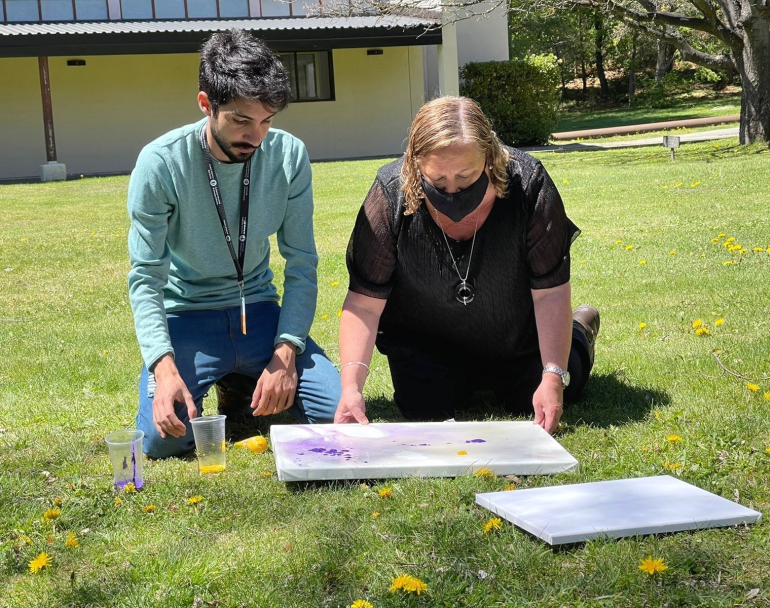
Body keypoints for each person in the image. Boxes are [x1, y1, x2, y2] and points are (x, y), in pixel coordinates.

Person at [127, 29, 340, 459]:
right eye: (241, 120)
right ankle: (220, 376)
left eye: (267, 120)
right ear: (207, 104)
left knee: (336, 416)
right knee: (162, 440)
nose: (256, 136)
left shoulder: (289, 155)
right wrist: (163, 367)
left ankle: (245, 377)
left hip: (260, 311)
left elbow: (302, 263)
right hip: (188, 316)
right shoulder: (160, 162)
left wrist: (286, 353)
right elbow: (146, 278)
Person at [334, 96, 599, 433]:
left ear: (489, 158)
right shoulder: (389, 195)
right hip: (427, 344)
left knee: (549, 390)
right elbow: (364, 304)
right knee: (423, 408)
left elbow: (550, 294)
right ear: (415, 165)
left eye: (465, 177)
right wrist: (351, 387)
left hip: (516, 337)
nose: (452, 191)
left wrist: (553, 375)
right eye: (438, 181)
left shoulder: (528, 185)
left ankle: (579, 332)